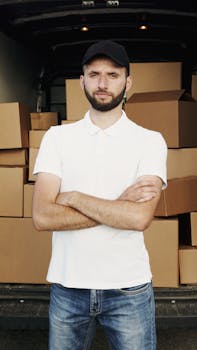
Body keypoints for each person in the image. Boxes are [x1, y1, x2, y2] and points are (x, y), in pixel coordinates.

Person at [32, 40, 167, 350]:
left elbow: (138, 217)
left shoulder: (149, 141)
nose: (103, 83)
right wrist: (118, 205)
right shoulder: (58, 138)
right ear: (82, 81)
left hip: (128, 290)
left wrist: (74, 197)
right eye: (93, 74)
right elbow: (42, 217)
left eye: (113, 74)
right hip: (69, 288)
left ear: (128, 81)